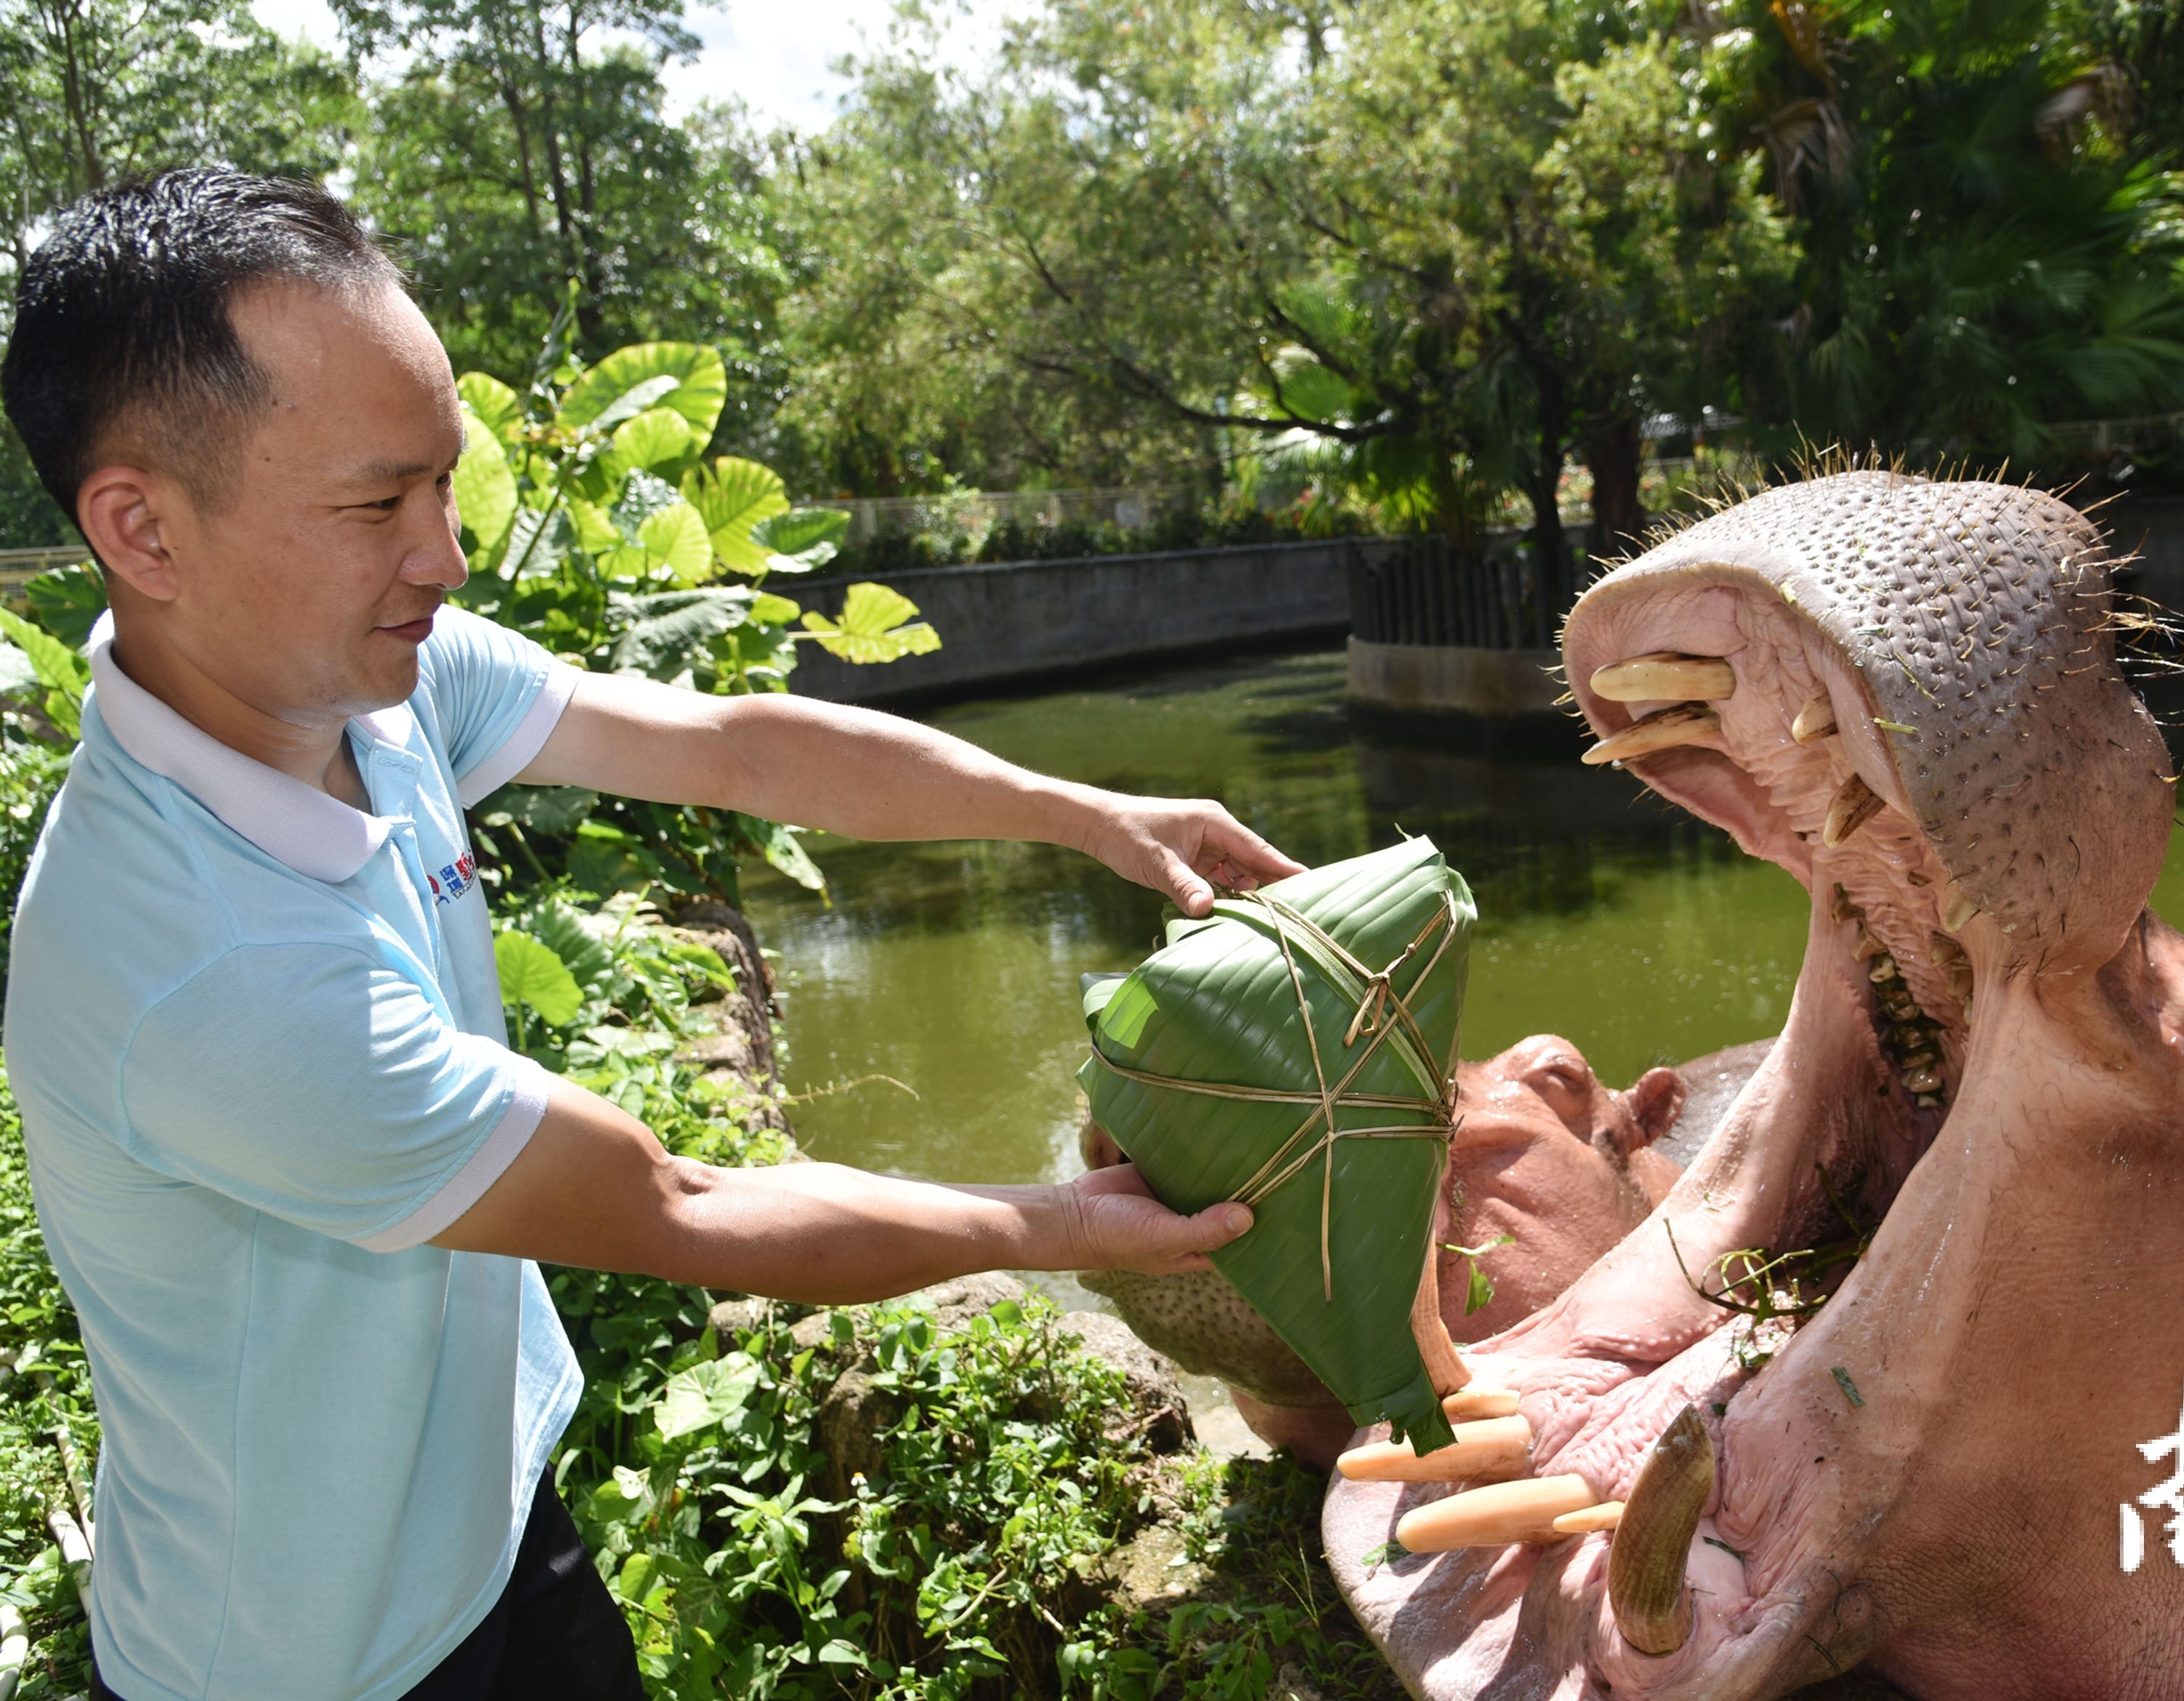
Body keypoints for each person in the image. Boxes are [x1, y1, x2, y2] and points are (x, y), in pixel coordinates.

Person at [0, 170, 1291, 1701]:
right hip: (306, 1650)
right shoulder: (205, 971)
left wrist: (1082, 811)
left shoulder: (363, 680)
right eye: (374, 504)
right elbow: (681, 1202)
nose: (446, 555)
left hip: (486, 1504)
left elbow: (734, 748)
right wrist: (1072, 1224)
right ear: (143, 530)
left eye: (441, 484)